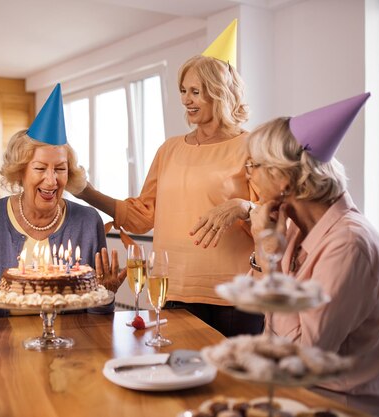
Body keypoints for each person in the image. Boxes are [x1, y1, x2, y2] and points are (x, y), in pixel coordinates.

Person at [75, 20, 262, 337]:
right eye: (183, 91)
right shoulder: (169, 149)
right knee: (175, 380)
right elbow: (141, 217)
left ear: (220, 93)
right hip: (170, 291)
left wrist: (243, 206)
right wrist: (84, 190)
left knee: (232, 387)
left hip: (235, 298)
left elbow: (275, 217)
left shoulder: (253, 146)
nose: (186, 99)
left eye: (195, 92)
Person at [246, 93, 379, 415]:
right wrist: (265, 248)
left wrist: (269, 253)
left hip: (334, 406)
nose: (246, 176)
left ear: (282, 178)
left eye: (252, 166)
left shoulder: (348, 244)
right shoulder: (295, 227)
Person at [0, 85, 125, 328]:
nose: (51, 180)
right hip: (0, 347)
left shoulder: (88, 222)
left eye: (60, 168)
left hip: (70, 349)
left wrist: (106, 294)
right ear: (21, 172)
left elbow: (95, 316)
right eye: (39, 168)